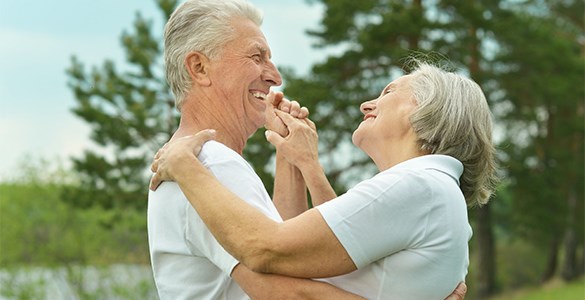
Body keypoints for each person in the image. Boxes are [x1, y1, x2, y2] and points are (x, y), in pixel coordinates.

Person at [150, 62, 498, 299]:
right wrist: (297, 160)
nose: (366, 104)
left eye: (388, 93)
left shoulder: (419, 185)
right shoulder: (431, 191)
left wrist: (186, 166)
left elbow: (267, 249)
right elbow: (315, 253)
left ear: (424, 109)